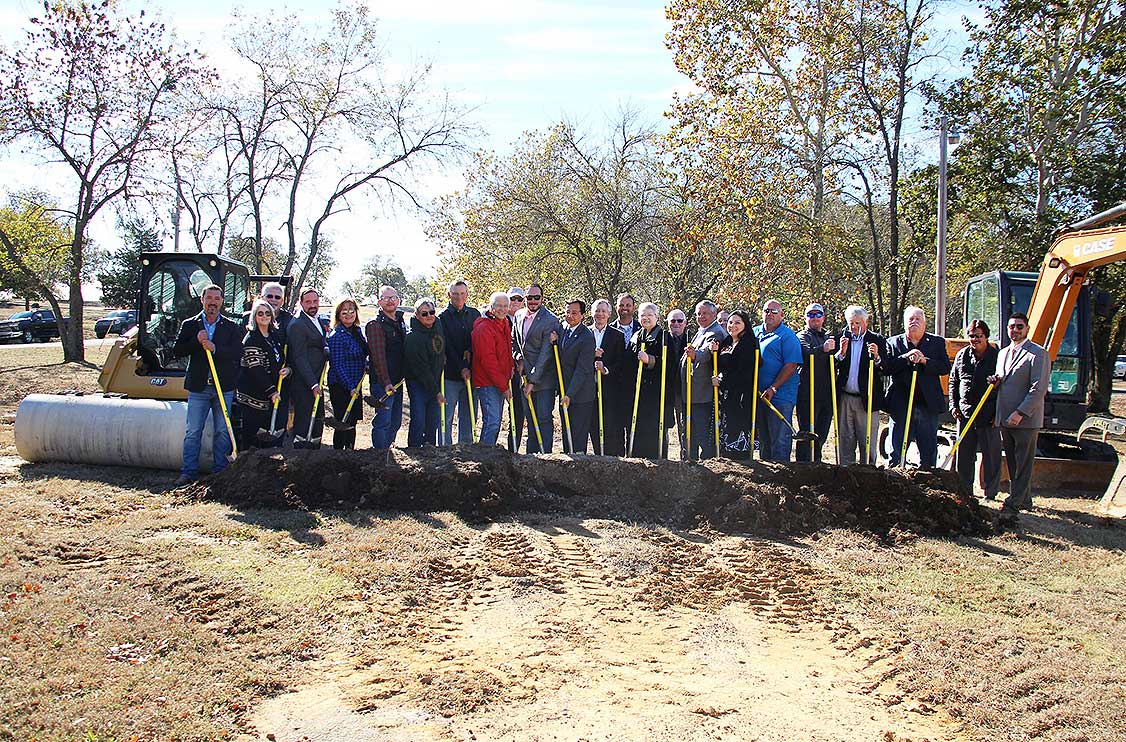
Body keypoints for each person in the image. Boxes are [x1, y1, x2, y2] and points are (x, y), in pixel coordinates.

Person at [173, 284, 243, 485]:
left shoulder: (230, 326)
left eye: (217, 298)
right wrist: (196, 341)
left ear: (222, 301)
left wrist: (215, 348)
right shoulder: (191, 324)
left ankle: (219, 472)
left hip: (223, 387)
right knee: (193, 431)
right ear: (202, 300)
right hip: (199, 387)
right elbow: (178, 350)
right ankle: (188, 472)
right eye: (209, 298)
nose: (213, 302)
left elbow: (237, 353)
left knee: (222, 430)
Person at [989, 312, 1050, 526]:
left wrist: (1021, 413)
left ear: (1027, 329)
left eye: (1019, 327)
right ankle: (1025, 499)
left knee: (1024, 461)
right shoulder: (1003, 353)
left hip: (1025, 419)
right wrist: (995, 382)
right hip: (1005, 417)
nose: (1015, 330)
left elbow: (1038, 388)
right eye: (1011, 327)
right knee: (1013, 462)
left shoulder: (1038, 354)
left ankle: (1014, 502)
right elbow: (1003, 381)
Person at [878, 305, 951, 468]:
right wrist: (905, 358)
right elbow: (886, 368)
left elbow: (945, 367)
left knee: (928, 449)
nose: (914, 322)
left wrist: (925, 361)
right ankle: (895, 478)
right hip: (901, 404)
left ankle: (927, 480)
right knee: (896, 448)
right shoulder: (893, 343)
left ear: (925, 324)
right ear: (905, 324)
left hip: (927, 404)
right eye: (910, 319)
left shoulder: (937, 343)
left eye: (918, 319)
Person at [949, 319, 1001, 499]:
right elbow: (953, 381)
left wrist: (998, 414)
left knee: (991, 457)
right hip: (965, 414)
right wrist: (953, 405)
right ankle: (964, 491)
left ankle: (991, 493)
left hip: (988, 416)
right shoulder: (962, 356)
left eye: (979, 336)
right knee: (964, 456)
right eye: (971, 336)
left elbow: (1004, 388)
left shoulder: (997, 357)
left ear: (986, 337)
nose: (975, 339)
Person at [834, 306, 886, 465]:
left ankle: (868, 474)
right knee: (845, 440)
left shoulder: (877, 340)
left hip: (867, 400)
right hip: (845, 398)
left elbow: (886, 367)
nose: (854, 327)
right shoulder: (841, 338)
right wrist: (841, 354)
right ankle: (845, 472)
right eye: (851, 323)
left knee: (867, 442)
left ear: (866, 322)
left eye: (858, 323)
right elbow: (831, 364)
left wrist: (877, 357)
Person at [235, 299, 290, 451]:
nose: (264, 316)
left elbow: (282, 359)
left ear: (272, 317)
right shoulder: (251, 339)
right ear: (254, 316)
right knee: (252, 438)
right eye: (260, 314)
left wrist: (287, 370)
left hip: (270, 394)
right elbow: (255, 369)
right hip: (253, 396)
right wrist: (271, 390)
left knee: (268, 437)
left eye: (267, 313)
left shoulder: (274, 337)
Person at [753, 299, 803, 462]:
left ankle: (781, 477)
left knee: (780, 441)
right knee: (764, 441)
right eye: (766, 310)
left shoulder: (787, 336)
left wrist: (774, 388)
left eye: (774, 311)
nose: (770, 314)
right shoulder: (755, 332)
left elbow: (791, 365)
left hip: (780, 396)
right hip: (759, 395)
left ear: (781, 314)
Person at [515, 283, 560, 453]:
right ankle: (531, 456)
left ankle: (545, 456)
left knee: (543, 418)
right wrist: (518, 358)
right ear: (525, 298)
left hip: (544, 380)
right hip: (524, 377)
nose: (533, 301)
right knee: (530, 419)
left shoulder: (550, 320)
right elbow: (514, 341)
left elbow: (545, 354)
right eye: (529, 297)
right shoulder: (519, 315)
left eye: (536, 297)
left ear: (542, 299)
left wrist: (533, 381)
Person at [626, 302, 673, 459]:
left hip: (656, 394)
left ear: (657, 317)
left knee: (654, 431)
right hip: (638, 393)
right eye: (642, 315)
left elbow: (670, 364)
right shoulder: (636, 335)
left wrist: (650, 360)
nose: (645, 318)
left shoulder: (664, 337)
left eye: (649, 315)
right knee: (638, 429)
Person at [710, 310, 759, 460]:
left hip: (741, 397)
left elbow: (744, 373)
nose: (732, 326)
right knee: (724, 433)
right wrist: (714, 354)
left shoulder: (749, 344)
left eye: (737, 322)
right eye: (730, 322)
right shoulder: (726, 342)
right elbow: (719, 365)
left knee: (738, 433)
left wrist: (722, 381)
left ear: (745, 325)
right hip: (725, 396)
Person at [681, 300, 728, 460]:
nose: (701, 317)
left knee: (703, 437)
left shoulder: (715, 332)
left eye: (705, 313)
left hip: (702, 395)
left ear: (714, 314)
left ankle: (709, 468)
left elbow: (706, 353)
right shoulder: (701, 330)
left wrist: (695, 356)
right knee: (690, 435)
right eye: (698, 313)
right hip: (690, 394)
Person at [440, 280, 481, 443]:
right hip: (450, 374)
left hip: (472, 375)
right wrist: (461, 367)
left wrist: (469, 352)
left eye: (462, 293)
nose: (459, 297)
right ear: (449, 295)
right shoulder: (442, 317)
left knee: (469, 416)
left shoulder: (474, 314)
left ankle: (466, 451)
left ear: (467, 294)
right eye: (455, 294)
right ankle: (445, 451)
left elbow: (477, 340)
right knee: (447, 416)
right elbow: (447, 346)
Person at [288, 287, 329, 449]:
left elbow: (319, 344)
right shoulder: (298, 324)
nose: (312, 305)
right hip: (304, 382)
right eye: (308, 302)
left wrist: (326, 350)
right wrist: (312, 383)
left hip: (317, 378)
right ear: (301, 303)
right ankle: (300, 458)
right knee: (304, 421)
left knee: (317, 419)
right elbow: (299, 357)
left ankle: (315, 457)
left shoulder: (317, 320)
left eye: (315, 301)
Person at [472, 291, 515, 446]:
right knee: (492, 422)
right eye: (498, 306)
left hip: (500, 381)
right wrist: (504, 387)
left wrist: (510, 367)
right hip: (487, 382)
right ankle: (484, 457)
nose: (502, 309)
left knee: (495, 423)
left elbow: (507, 351)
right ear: (491, 307)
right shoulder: (484, 327)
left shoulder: (504, 323)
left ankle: (490, 456)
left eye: (505, 306)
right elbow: (488, 360)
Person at [553, 298, 596, 454]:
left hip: (580, 394)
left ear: (583, 315)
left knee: (577, 435)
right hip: (564, 390)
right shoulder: (563, 329)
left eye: (574, 313)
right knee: (567, 432)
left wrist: (570, 394)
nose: (570, 316)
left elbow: (582, 369)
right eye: (568, 312)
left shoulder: (586, 336)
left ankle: (579, 464)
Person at [366, 285, 406, 449]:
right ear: (379, 302)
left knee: (395, 422)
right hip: (383, 383)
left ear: (398, 300)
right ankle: (379, 456)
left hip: (397, 381)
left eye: (393, 297)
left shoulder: (400, 321)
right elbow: (378, 357)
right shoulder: (375, 325)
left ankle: (389, 452)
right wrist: (386, 381)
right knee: (383, 421)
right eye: (386, 298)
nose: (390, 301)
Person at [796, 302, 836, 462]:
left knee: (821, 434)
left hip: (826, 394)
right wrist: (823, 349)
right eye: (811, 315)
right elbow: (806, 354)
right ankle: (802, 466)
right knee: (807, 434)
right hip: (808, 393)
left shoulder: (829, 337)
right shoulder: (802, 336)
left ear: (823, 318)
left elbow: (836, 361)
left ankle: (817, 465)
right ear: (805, 318)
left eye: (818, 315)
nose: (814, 318)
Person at [327, 298, 368, 450]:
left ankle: (350, 452)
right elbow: (338, 365)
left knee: (352, 422)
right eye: (344, 312)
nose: (348, 314)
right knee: (342, 421)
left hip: (356, 384)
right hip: (341, 385)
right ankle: (338, 454)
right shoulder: (337, 336)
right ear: (338, 315)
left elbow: (364, 352)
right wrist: (350, 387)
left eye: (352, 311)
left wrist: (367, 364)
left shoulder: (357, 331)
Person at [403, 298, 446, 447]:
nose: (429, 316)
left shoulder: (437, 327)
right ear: (416, 315)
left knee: (432, 421)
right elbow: (421, 370)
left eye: (432, 312)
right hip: (418, 383)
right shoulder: (412, 338)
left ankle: (430, 451)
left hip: (434, 381)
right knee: (419, 420)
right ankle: (414, 450)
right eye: (424, 313)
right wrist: (437, 392)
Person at [590, 298, 627, 455]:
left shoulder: (617, 335)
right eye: (597, 311)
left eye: (603, 311)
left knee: (611, 424)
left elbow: (620, 363)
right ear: (592, 313)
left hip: (610, 389)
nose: (600, 314)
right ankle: (598, 455)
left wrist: (605, 369)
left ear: (610, 314)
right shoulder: (585, 333)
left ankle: (615, 457)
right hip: (589, 388)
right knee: (593, 424)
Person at [666, 308, 689, 458]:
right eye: (672, 321)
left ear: (685, 323)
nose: (676, 323)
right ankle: (663, 457)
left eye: (679, 321)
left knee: (684, 426)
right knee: (664, 425)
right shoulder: (662, 338)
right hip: (666, 389)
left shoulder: (691, 338)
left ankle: (685, 457)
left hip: (683, 389)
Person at [505, 287, 526, 451]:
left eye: (519, 299)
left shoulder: (525, 319)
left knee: (518, 413)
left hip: (520, 373)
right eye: (513, 299)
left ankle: (514, 450)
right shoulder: (500, 318)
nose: (516, 302)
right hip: (503, 373)